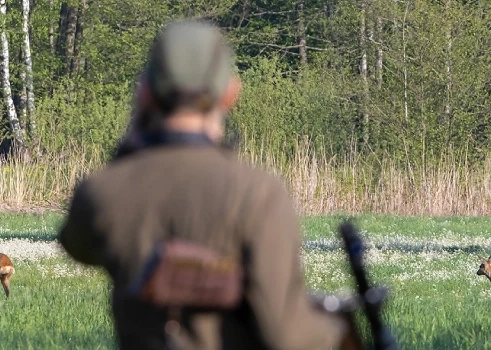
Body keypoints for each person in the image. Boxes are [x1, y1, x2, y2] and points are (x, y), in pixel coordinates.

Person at [58, 19, 356, 350]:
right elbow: (284, 335)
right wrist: (337, 332)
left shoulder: (104, 191)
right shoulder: (258, 194)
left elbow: (77, 245)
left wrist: (131, 143)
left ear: (146, 92)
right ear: (230, 93)